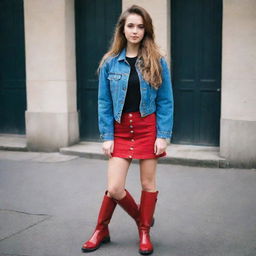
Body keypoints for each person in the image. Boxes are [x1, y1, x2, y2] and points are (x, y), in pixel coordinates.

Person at [81, 5, 173, 255]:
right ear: (122, 28)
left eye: (140, 26)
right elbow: (105, 102)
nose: (135, 31)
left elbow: (165, 101)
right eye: (130, 25)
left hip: (147, 128)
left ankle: (144, 231)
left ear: (146, 30)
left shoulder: (157, 61)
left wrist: (163, 136)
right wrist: (107, 136)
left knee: (148, 183)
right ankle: (109, 227)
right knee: (115, 188)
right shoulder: (110, 63)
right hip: (120, 130)